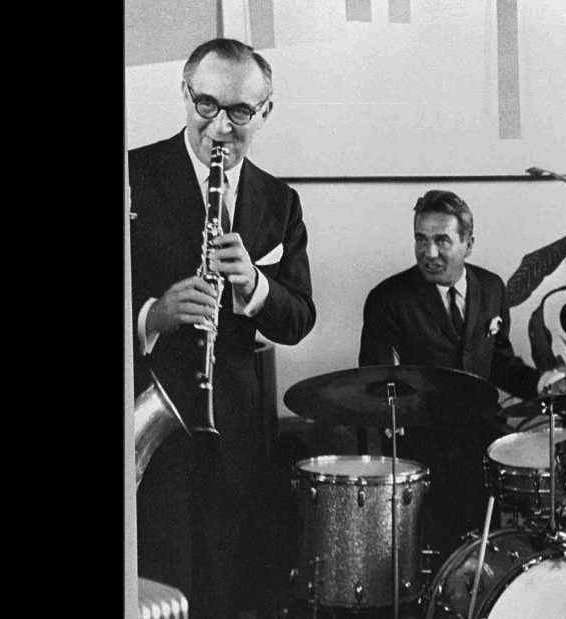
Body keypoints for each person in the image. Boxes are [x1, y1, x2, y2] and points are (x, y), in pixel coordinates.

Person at [130, 38, 316, 619]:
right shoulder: (134, 175)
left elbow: (299, 318)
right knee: (158, 585)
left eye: (239, 112)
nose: (219, 128)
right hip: (148, 424)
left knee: (227, 588)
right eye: (205, 105)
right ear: (184, 94)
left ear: (265, 111)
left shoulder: (280, 201)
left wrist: (254, 287)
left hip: (234, 427)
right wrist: (153, 315)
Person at [359, 189, 566, 568]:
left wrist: (539, 382)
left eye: (442, 240)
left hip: (484, 432)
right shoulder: (387, 299)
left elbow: (500, 359)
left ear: (468, 244)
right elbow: (376, 381)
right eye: (421, 239)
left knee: (556, 478)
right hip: (425, 441)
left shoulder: (491, 288)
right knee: (451, 531)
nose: (430, 252)